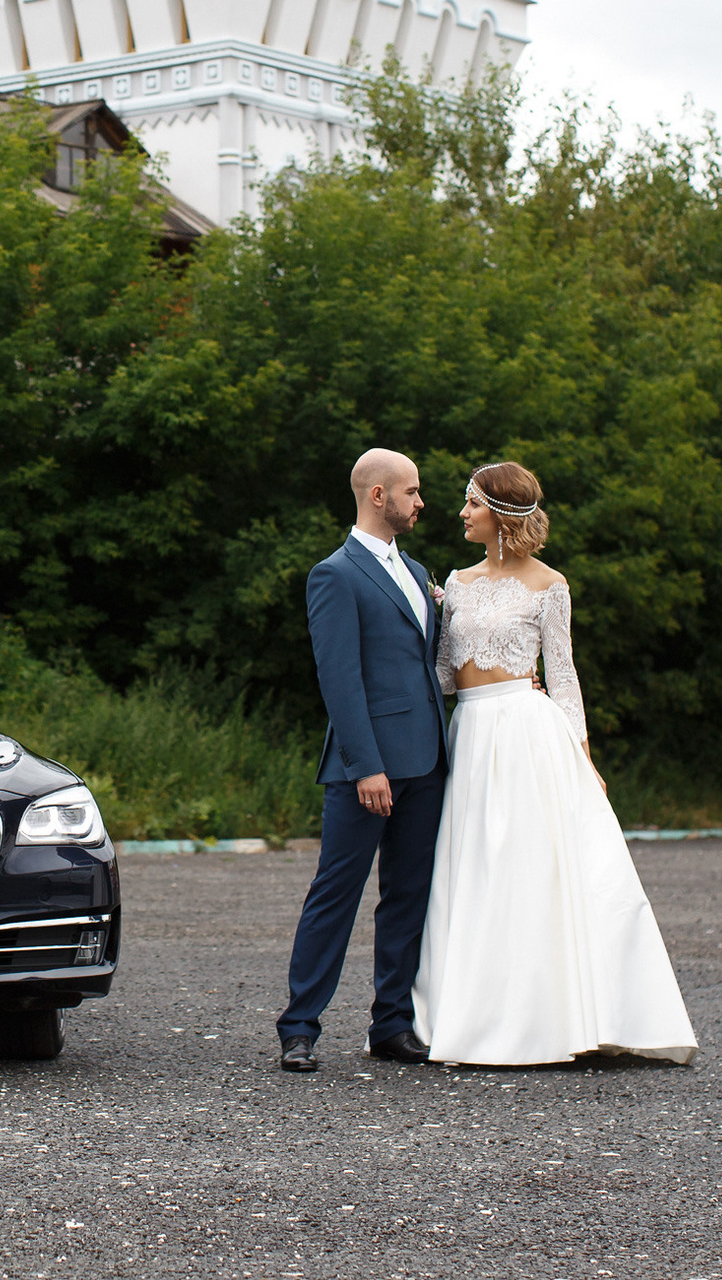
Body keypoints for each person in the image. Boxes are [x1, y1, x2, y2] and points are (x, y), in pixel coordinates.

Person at [410, 461, 697, 1066]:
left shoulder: (550, 585)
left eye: (472, 503)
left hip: (525, 735)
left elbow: (563, 677)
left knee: (525, 868)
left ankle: (547, 1018)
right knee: (473, 868)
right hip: (471, 734)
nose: (462, 513)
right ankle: (468, 1013)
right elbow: (442, 677)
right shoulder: (456, 583)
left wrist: (582, 757)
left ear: (501, 514)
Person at [275, 448, 451, 1072]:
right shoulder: (335, 574)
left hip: (427, 760)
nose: (420, 501)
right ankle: (299, 1027)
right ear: (379, 495)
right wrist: (365, 765)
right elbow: (339, 679)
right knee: (336, 892)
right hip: (367, 768)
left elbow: (428, 666)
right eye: (412, 491)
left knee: (408, 894)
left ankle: (392, 1024)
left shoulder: (419, 571)